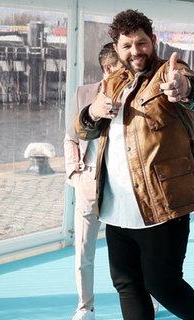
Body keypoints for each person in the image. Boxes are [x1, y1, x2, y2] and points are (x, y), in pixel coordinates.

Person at [75, 9, 194, 320]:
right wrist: (92, 112)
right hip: (116, 208)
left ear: (153, 41)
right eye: (127, 46)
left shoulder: (169, 71)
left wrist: (182, 87)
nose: (135, 51)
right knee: (127, 285)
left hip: (160, 207)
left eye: (141, 43)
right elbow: (81, 130)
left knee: (162, 285)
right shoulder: (112, 82)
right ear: (117, 48)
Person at [64, 42, 123, 320]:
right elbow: (70, 137)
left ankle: (149, 297)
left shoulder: (135, 95)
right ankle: (85, 307)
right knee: (84, 253)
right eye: (123, 67)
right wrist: (73, 175)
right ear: (109, 68)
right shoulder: (83, 93)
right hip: (88, 183)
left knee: (134, 252)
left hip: (126, 187)